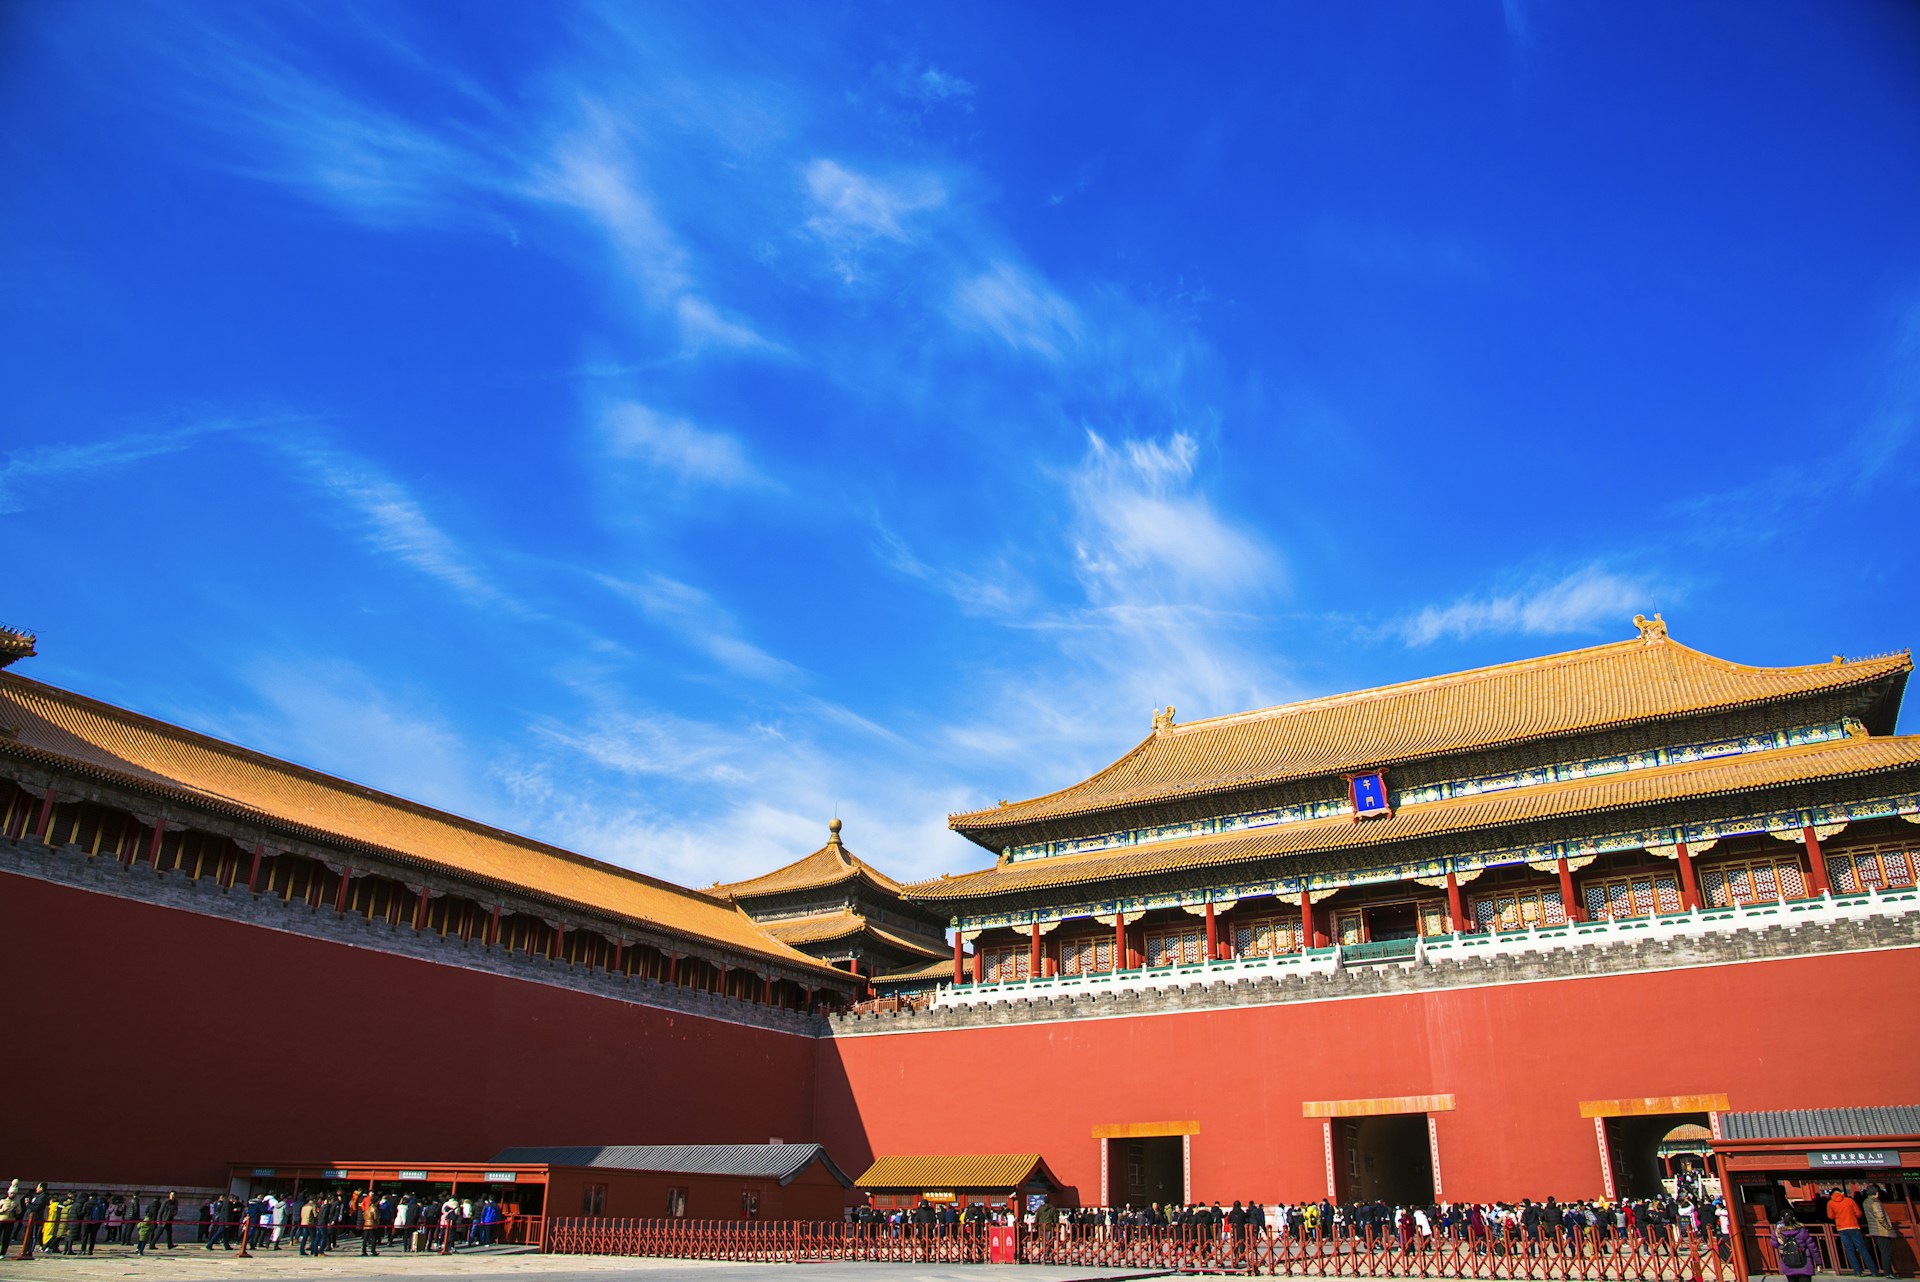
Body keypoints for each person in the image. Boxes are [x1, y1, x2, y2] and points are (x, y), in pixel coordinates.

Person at [1829, 1186, 1877, 1276]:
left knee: (1849, 1250)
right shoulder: (1849, 1200)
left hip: (1841, 1228)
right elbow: (1858, 1213)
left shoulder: (1830, 1203)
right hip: (1853, 1226)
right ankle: (1873, 1270)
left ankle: (1857, 1271)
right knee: (1862, 1248)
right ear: (1841, 1193)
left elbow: (1830, 1216)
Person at [1776, 1210, 1820, 1282]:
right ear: (1794, 1218)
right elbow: (1812, 1247)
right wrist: (1819, 1263)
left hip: (1788, 1262)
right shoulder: (1802, 1231)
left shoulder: (1779, 1232)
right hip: (1804, 1262)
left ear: (1782, 1218)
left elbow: (1774, 1244)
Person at [1862, 1188, 1897, 1279]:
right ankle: (1888, 1273)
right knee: (1887, 1252)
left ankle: (1887, 1272)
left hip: (1874, 1230)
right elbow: (1880, 1216)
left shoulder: (1865, 1202)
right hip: (1881, 1230)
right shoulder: (1875, 1203)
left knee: (1883, 1251)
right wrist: (1888, 1227)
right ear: (1876, 1193)